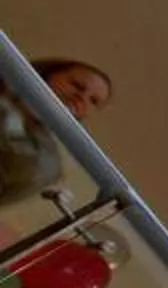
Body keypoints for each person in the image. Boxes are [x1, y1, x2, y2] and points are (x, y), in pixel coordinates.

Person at [2, 57, 113, 209]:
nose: (81, 98)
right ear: (48, 74)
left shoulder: (47, 163)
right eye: (77, 85)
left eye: (93, 101)